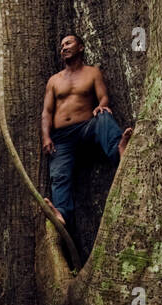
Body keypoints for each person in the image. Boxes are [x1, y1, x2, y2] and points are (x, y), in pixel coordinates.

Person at [40, 33, 133, 228]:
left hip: (86, 128)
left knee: (104, 116)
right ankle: (61, 214)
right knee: (59, 175)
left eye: (68, 43)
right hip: (62, 138)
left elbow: (104, 97)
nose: (64, 47)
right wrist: (46, 136)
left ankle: (119, 149)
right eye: (62, 45)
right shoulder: (54, 80)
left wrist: (101, 106)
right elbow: (47, 112)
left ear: (80, 47)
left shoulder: (92, 73)